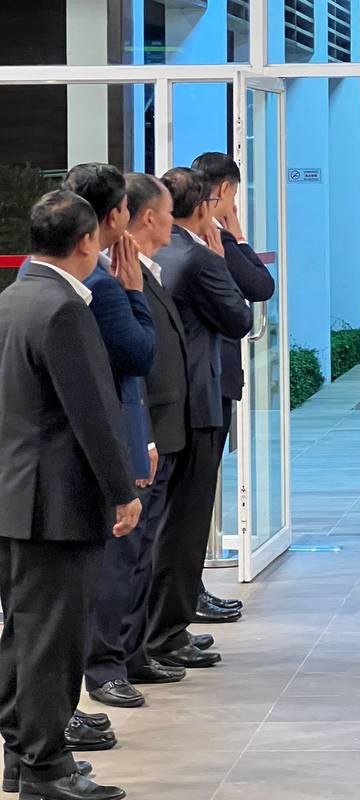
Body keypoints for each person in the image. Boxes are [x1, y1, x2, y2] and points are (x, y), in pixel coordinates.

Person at [0, 191, 140, 800]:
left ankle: (22, 756)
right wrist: (122, 490)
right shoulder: (64, 309)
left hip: (14, 495)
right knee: (53, 641)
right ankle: (46, 768)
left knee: (23, 633)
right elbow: (93, 414)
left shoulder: (12, 299)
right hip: (56, 502)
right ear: (86, 241)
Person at [56, 167, 156, 733]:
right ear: (113, 216)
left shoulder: (47, 282)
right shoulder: (102, 284)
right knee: (92, 579)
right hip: (90, 452)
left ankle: (68, 705)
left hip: (92, 445)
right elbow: (137, 356)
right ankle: (87, 685)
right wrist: (136, 295)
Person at [145, 169, 251, 671]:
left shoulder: (159, 255)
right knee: (185, 524)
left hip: (168, 402)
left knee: (167, 521)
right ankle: (168, 633)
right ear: (206, 206)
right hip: (199, 400)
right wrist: (222, 258)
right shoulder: (197, 257)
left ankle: (160, 629)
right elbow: (240, 317)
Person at [190, 152, 276, 624]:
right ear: (224, 191)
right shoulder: (213, 241)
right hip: (210, 379)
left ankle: (187, 590)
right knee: (194, 495)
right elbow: (260, 287)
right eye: (234, 195)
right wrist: (238, 232)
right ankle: (187, 592)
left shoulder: (185, 241)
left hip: (201, 379)